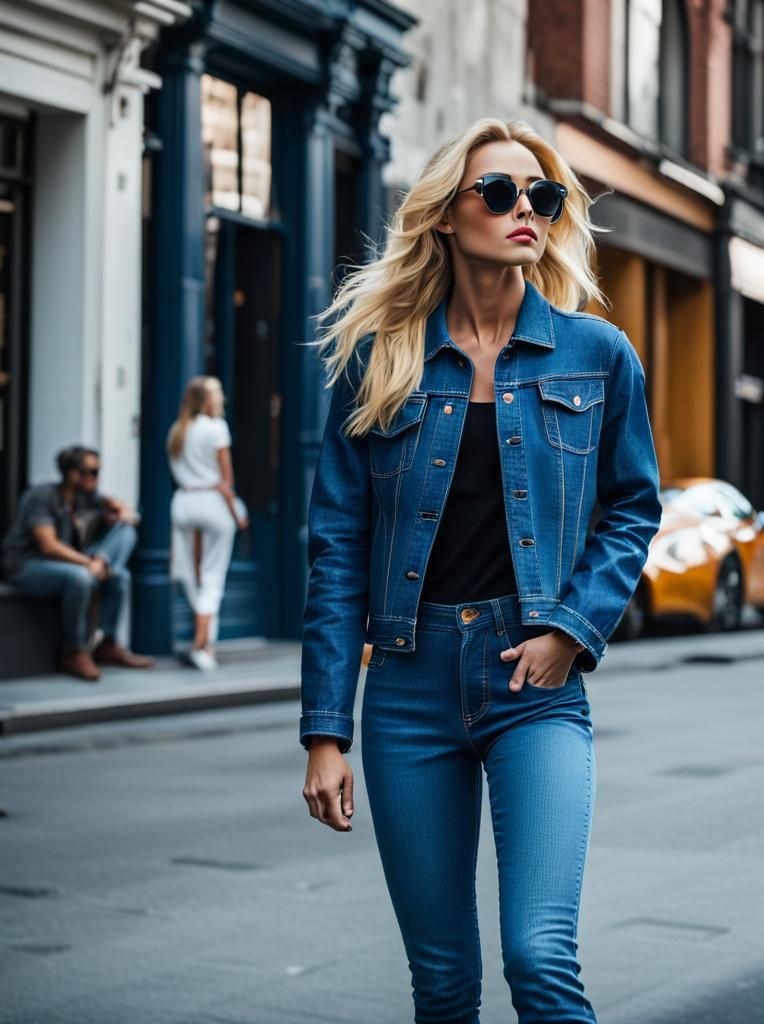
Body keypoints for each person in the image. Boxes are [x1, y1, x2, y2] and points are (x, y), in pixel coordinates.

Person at [299, 117, 662, 1023]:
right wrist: (324, 730)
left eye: (540, 196)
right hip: (409, 687)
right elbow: (338, 548)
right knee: (445, 982)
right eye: (497, 192)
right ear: (443, 218)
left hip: (533, 682)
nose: (524, 211)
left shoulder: (598, 355)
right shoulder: (381, 359)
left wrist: (570, 632)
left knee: (540, 958)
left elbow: (633, 509)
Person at [1, 445, 155, 680]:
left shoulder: (88, 499)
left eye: (98, 472)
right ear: (73, 473)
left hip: (75, 562)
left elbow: (130, 517)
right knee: (80, 578)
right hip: (25, 564)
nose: (96, 477)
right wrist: (87, 563)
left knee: (121, 568)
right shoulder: (42, 496)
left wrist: (119, 511)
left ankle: (108, 643)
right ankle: (74, 651)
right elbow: (49, 546)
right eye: (92, 472)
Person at [167, 376, 248, 671]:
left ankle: (206, 643)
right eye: (217, 394)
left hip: (184, 502)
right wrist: (236, 511)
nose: (221, 399)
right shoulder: (216, 428)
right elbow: (226, 480)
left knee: (189, 574)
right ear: (205, 400)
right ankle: (200, 644)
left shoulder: (178, 430)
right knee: (212, 577)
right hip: (213, 503)